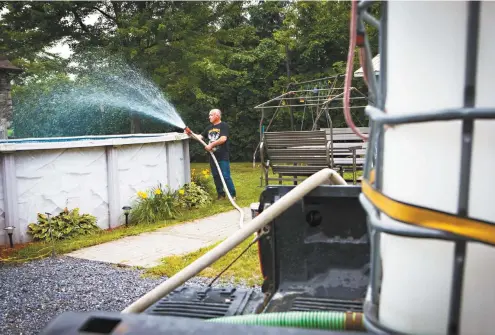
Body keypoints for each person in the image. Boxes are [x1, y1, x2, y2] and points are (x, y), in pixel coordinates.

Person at [185, 109, 236, 200]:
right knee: (216, 176)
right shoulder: (209, 128)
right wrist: (190, 133)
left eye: (211, 115)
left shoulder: (223, 126)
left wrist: (211, 145)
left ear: (217, 115)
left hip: (222, 155)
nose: (209, 117)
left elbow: (223, 139)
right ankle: (221, 194)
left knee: (225, 175)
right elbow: (200, 137)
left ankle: (232, 195)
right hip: (213, 156)